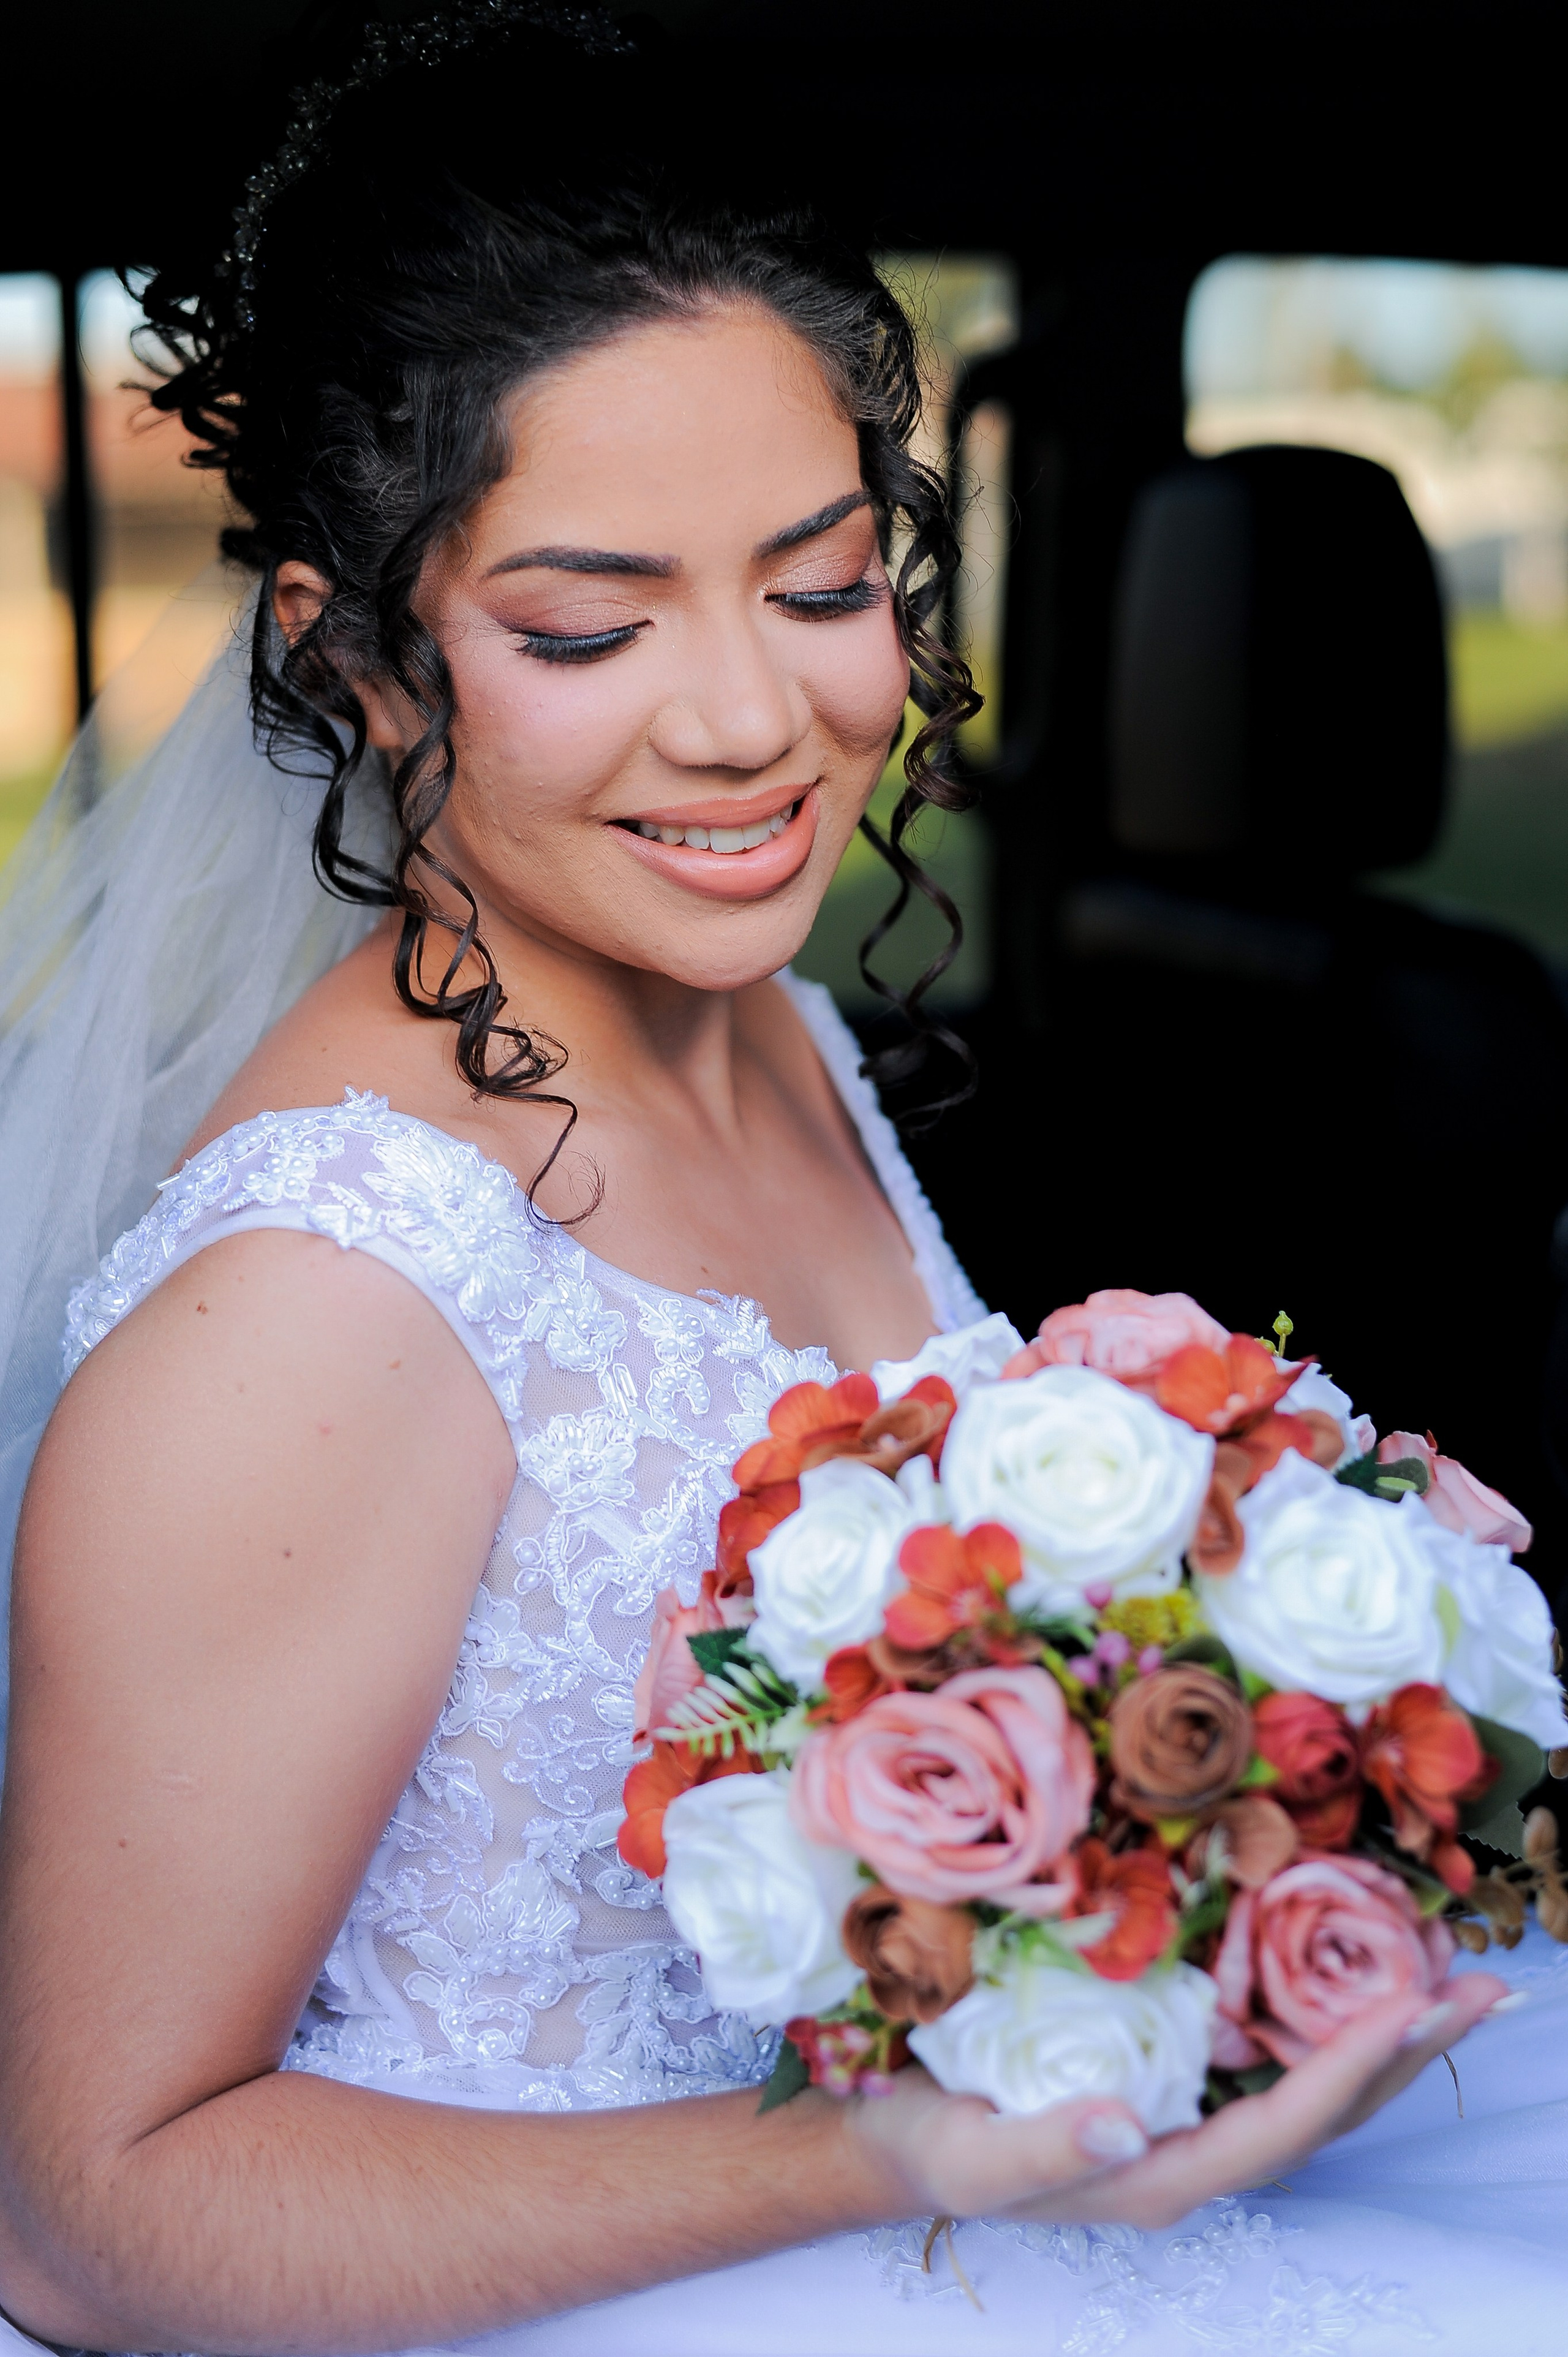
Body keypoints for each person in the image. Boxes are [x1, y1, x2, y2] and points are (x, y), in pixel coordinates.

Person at [0, 11, 1564, 2355]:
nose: (751, 723)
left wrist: (1244, 1663)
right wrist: (880, 2152)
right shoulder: (313, 1306)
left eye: (823, 590)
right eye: (588, 626)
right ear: (363, 668)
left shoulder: (779, 1032)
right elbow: (89, 2218)